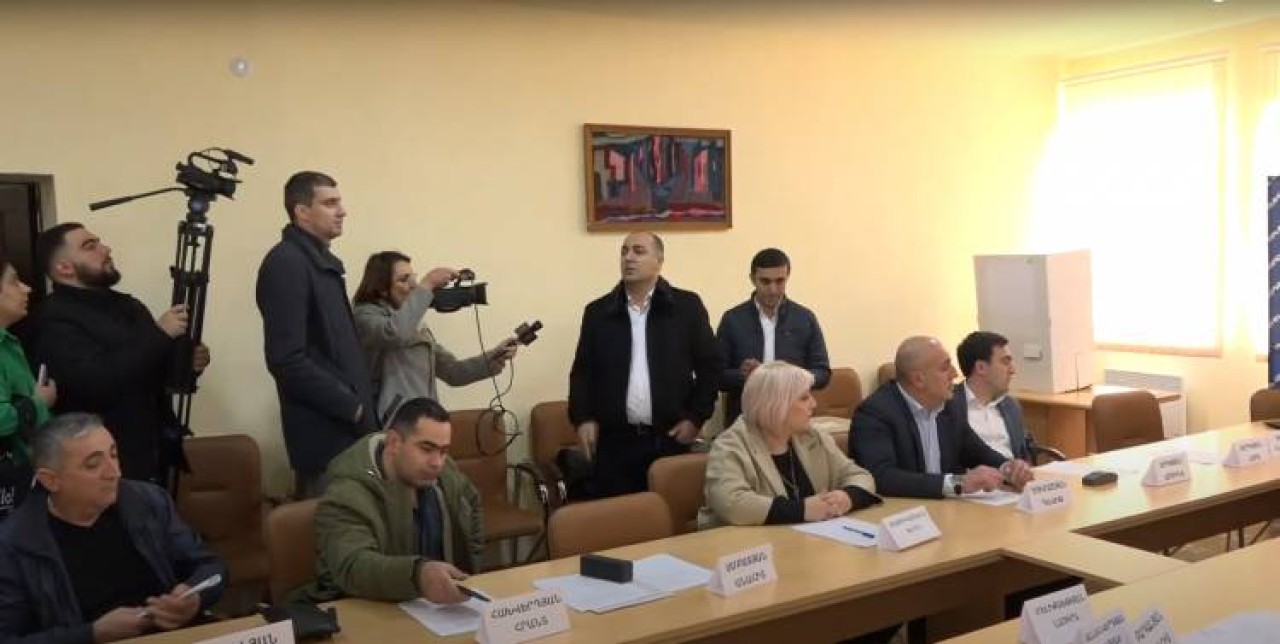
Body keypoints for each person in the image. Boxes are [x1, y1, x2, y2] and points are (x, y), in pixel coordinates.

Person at [0, 413, 225, 642]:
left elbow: (210, 566)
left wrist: (194, 598)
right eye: (93, 465)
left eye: (114, 455)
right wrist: (91, 634)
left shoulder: (148, 501)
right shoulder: (15, 543)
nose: (114, 472)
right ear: (50, 480)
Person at [29, 223, 209, 484]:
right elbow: (94, 381)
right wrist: (159, 335)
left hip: (153, 452)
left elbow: (157, 374)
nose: (106, 249)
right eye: (90, 246)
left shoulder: (128, 305)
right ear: (64, 268)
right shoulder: (53, 319)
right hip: (97, 463)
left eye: (99, 242)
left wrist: (187, 364)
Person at [568, 232, 721, 498]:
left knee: (670, 515)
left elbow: (710, 366)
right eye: (624, 251)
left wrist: (696, 418)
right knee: (620, 518)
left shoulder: (686, 307)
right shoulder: (599, 312)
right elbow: (583, 372)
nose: (628, 258)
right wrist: (583, 418)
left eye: (638, 251)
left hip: (670, 438)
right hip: (615, 442)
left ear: (659, 261)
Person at [257, 171, 377, 499]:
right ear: (302, 212)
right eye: (330, 203)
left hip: (349, 435)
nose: (342, 211)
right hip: (327, 438)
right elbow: (286, 359)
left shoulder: (319, 263)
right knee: (333, 527)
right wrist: (351, 406)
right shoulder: (287, 263)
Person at [297, 397, 483, 605]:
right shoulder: (347, 493)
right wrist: (417, 575)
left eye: (443, 451)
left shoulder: (443, 473)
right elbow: (353, 565)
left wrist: (471, 567)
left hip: (438, 609)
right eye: (426, 449)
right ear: (394, 442)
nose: (437, 462)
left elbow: (471, 502)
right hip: (364, 607)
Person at [700, 361, 878, 529]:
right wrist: (802, 510)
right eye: (804, 398)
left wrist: (847, 497)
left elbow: (859, 475)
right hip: (748, 546)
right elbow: (731, 503)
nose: (814, 404)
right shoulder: (730, 445)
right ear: (775, 405)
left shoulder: (812, 437)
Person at [850, 336, 1033, 499]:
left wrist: (1008, 467)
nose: (955, 374)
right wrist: (957, 483)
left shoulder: (949, 406)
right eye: (945, 368)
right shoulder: (875, 413)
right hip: (902, 514)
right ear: (918, 380)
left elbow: (976, 450)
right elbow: (881, 476)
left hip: (946, 511)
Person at [351, 251, 517, 420]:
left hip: (424, 418)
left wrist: (494, 357)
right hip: (391, 421)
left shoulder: (414, 323)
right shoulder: (364, 315)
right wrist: (428, 283)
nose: (413, 286)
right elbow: (394, 334)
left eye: (413, 278)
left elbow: (453, 372)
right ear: (381, 288)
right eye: (403, 280)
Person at [716, 248, 830, 426]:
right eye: (765, 281)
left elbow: (823, 373)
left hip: (791, 420)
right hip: (745, 421)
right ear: (752, 279)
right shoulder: (733, 319)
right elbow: (716, 375)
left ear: (787, 277)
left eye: (780, 281)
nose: (773, 289)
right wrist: (743, 375)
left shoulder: (804, 318)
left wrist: (791, 377)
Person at [0, 255, 56, 520]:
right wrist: (39, 402)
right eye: (14, 281)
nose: (27, 288)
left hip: (26, 474)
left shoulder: (9, 342)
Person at [950, 331, 1036, 461]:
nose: (1013, 370)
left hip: (1012, 472)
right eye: (1005, 362)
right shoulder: (948, 406)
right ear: (981, 367)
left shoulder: (1011, 406)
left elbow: (1024, 454)